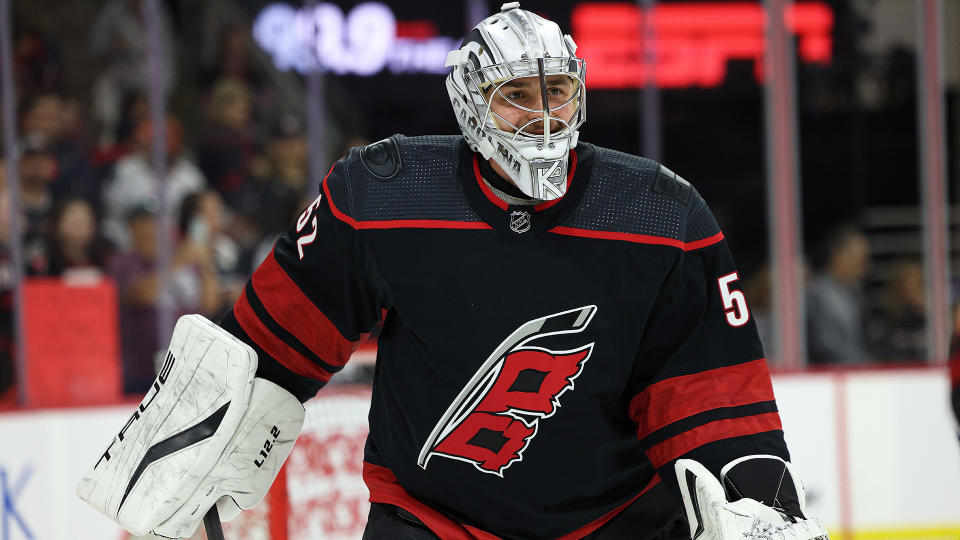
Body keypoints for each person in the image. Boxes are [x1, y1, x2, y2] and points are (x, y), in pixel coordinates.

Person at [80, 5, 827, 539]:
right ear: (472, 105)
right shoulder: (385, 192)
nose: (543, 117)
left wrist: (756, 497)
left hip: (614, 519)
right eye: (516, 97)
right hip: (431, 518)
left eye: (556, 91)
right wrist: (206, 424)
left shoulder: (663, 215)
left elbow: (719, 400)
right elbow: (276, 337)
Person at [806, 225, 871, 365]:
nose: (866, 267)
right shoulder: (818, 295)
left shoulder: (855, 294)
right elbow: (824, 346)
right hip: (828, 377)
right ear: (839, 257)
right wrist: (863, 364)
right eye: (860, 260)